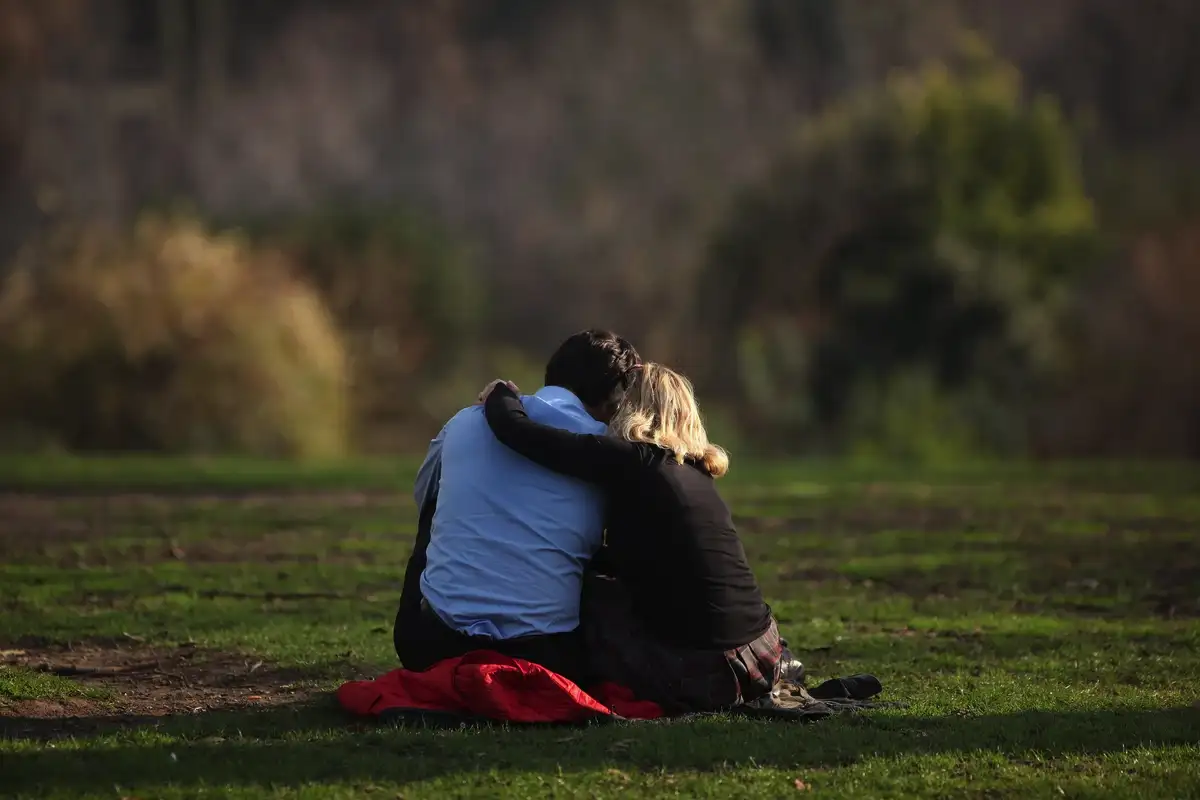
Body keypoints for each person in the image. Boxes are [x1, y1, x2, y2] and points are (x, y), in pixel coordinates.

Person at [479, 363, 784, 712]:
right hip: (762, 655)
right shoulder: (693, 473)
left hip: (709, 674)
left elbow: (523, 434)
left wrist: (500, 394)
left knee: (586, 595)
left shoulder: (635, 460)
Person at [393, 330, 641, 682]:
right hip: (546, 656)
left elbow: (424, 499)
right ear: (617, 393)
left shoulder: (465, 421)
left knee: (437, 501)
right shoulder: (608, 449)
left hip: (432, 645)